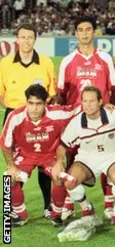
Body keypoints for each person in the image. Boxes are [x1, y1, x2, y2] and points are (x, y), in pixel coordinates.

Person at [57, 15, 115, 220]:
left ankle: (109, 204)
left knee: (108, 159)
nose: (84, 33)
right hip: (76, 122)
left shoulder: (105, 58)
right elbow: (61, 95)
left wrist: (114, 112)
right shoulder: (67, 61)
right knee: (73, 161)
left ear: (94, 32)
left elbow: (113, 89)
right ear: (76, 33)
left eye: (88, 29)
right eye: (80, 30)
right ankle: (70, 201)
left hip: (102, 121)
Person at [0, 24, 57, 219]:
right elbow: (1, 93)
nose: (26, 41)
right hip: (14, 118)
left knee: (45, 163)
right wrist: (16, 112)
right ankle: (14, 209)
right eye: (22, 37)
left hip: (41, 117)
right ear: (17, 39)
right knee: (14, 165)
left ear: (35, 39)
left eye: (30, 37)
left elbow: (52, 93)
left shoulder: (46, 62)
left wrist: (38, 112)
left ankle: (49, 206)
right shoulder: (5, 63)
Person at [53, 86, 115, 226]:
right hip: (87, 158)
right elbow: (62, 145)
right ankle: (86, 207)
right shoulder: (76, 122)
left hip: (113, 155)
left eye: (92, 101)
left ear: (100, 101)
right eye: (84, 101)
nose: (87, 105)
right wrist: (59, 162)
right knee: (70, 182)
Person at [1, 84, 77, 227]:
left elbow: (80, 109)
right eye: (31, 103)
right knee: (8, 179)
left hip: (49, 154)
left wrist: (105, 103)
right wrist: (11, 167)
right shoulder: (15, 117)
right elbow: (5, 144)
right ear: (26, 102)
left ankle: (56, 215)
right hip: (25, 154)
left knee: (59, 176)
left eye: (38, 104)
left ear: (45, 103)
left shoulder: (57, 114)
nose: (34, 108)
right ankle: (20, 214)